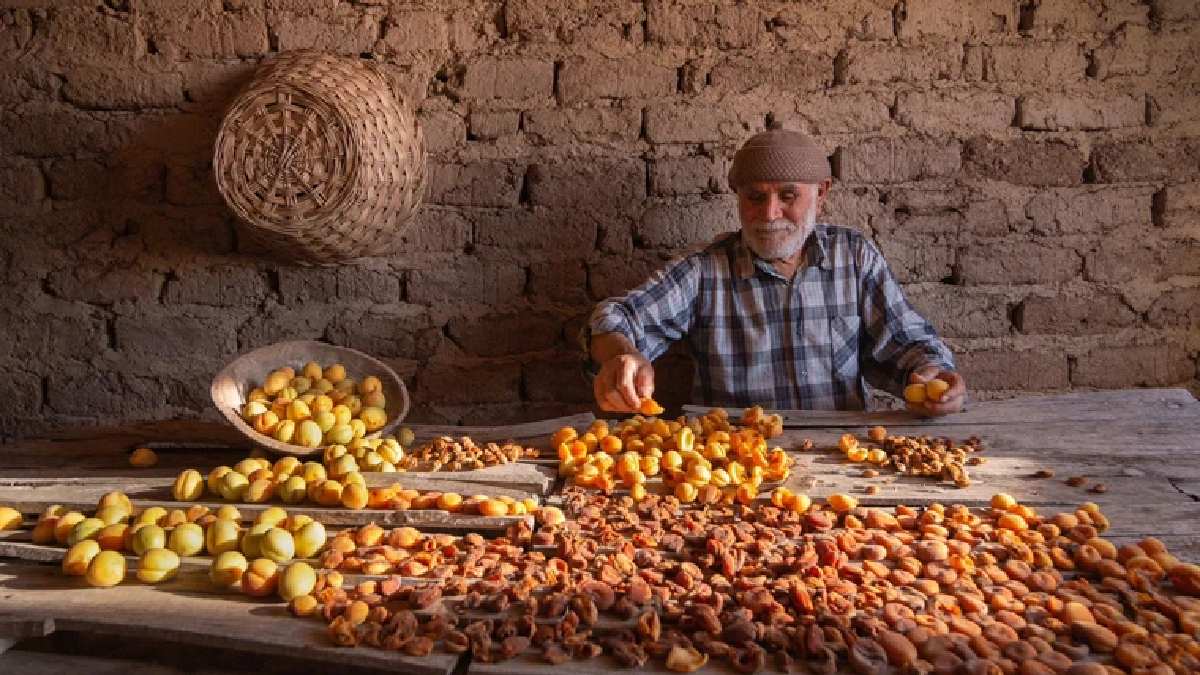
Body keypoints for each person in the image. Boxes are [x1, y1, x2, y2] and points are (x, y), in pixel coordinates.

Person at [585, 128, 966, 415]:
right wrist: (623, 357)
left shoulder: (853, 257)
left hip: (840, 456)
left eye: (787, 196)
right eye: (754, 197)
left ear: (822, 192)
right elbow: (612, 319)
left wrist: (933, 375)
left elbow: (905, 341)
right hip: (735, 460)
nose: (769, 214)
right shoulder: (705, 270)